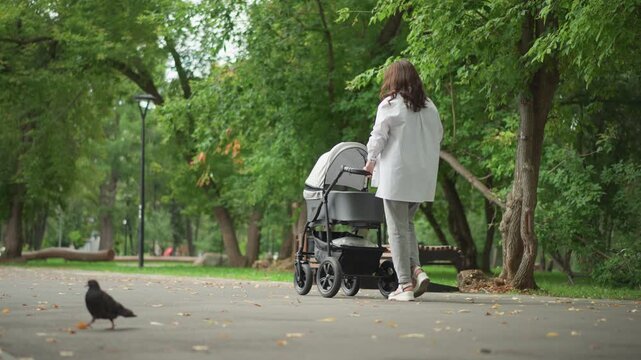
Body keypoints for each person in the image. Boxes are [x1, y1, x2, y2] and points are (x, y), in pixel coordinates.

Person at [364, 59, 443, 301]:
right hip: (422, 177)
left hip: (398, 176)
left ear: (393, 79)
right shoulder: (430, 106)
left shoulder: (390, 104)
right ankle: (416, 271)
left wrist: (370, 161)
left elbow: (378, 136)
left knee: (396, 231)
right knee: (406, 225)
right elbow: (439, 136)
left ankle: (405, 286)